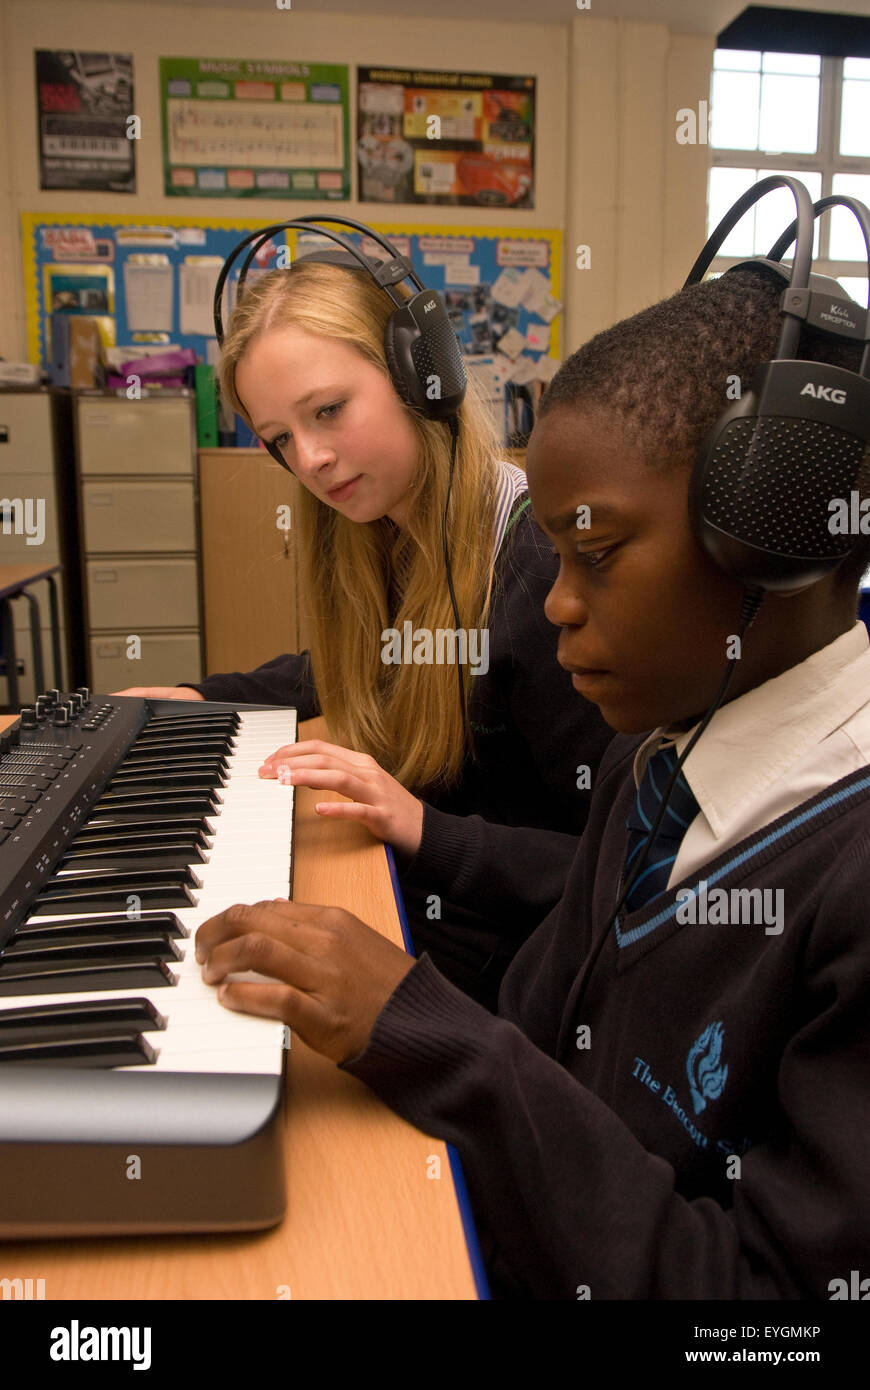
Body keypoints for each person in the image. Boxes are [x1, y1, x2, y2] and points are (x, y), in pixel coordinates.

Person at [193, 263, 870, 1298]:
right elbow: (535, 1035)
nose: (553, 606)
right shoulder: (654, 760)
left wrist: (426, 1026)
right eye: (553, 558)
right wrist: (404, 1027)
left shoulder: (841, 880)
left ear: (778, 539)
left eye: (594, 553)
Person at [117, 255, 613, 1004]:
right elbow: (354, 666)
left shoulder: (538, 572)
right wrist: (198, 697)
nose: (310, 460)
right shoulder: (382, 528)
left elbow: (615, 866)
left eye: (328, 410)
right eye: (281, 438)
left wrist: (419, 825)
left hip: (514, 976)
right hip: (419, 901)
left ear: (422, 377)